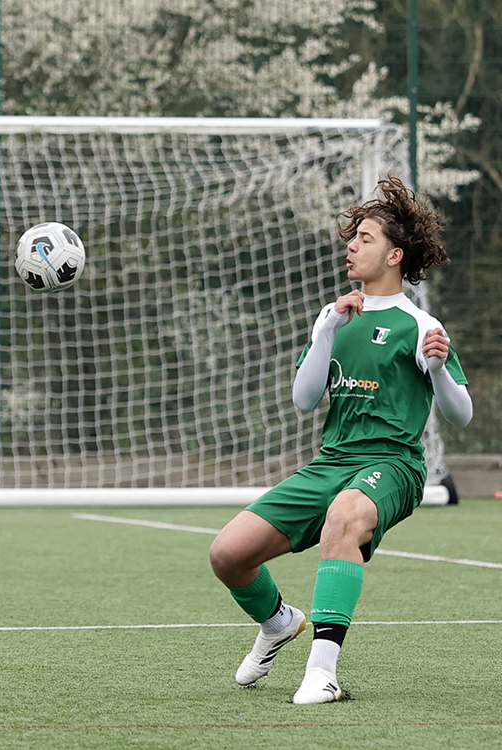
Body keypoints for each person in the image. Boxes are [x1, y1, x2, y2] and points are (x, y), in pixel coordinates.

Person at [208, 175, 472, 704]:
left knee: (344, 518)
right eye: (352, 238)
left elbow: (460, 415)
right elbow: (304, 400)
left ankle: (322, 674)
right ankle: (280, 621)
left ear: (395, 255)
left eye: (365, 238)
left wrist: (440, 371)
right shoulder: (333, 318)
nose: (351, 246)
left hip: (392, 465)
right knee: (228, 555)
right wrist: (324, 332)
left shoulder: (420, 325)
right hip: (330, 462)